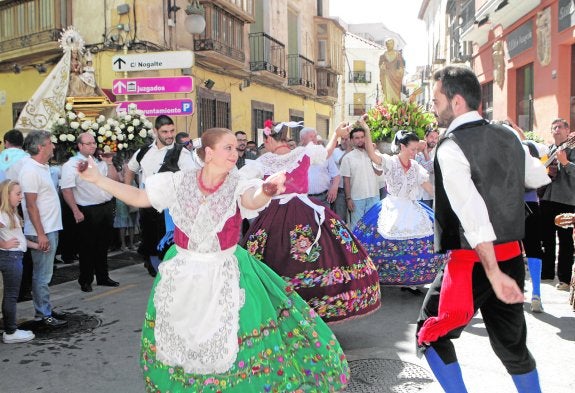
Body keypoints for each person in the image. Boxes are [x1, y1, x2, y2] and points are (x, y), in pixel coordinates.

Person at [77, 128, 350, 392]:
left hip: (226, 268)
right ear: (209, 152)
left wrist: (266, 191)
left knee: (233, 335)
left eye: (235, 147)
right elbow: (139, 196)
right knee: (183, 336)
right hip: (184, 269)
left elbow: (251, 199)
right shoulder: (179, 181)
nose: (235, 153)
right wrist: (98, 180)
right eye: (228, 148)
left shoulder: (237, 183)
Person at [416, 66, 549, 392]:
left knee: (429, 333)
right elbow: (537, 178)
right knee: (512, 345)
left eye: (436, 100)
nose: (434, 107)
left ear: (456, 101)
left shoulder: (451, 147)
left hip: (473, 262)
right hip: (511, 257)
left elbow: (472, 215)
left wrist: (492, 272)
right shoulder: (508, 136)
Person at [240, 121, 381, 324]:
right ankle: (315, 306)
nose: (265, 146)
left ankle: (279, 311)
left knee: (273, 256)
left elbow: (242, 180)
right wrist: (335, 134)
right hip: (303, 211)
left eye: (265, 142)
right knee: (321, 255)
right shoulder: (302, 153)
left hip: (274, 214)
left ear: (269, 139)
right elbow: (326, 152)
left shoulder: (263, 161)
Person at [353, 125, 448, 291]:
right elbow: (372, 155)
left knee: (424, 242)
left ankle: (412, 280)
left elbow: (429, 189)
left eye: (416, 150)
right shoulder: (390, 162)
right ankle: (376, 278)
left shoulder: (416, 168)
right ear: (402, 146)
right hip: (391, 207)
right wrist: (367, 132)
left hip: (412, 207)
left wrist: (447, 201)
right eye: (412, 149)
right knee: (376, 242)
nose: (415, 153)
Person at [125, 115, 198, 276]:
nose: (169, 135)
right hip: (147, 209)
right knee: (150, 249)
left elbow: (192, 180)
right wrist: (128, 193)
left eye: (172, 131)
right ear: (155, 131)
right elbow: (130, 170)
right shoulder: (143, 152)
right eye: (165, 132)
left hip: (169, 213)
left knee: (169, 253)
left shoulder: (182, 153)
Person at [19, 131, 67, 328]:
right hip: (42, 230)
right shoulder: (30, 170)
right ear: (40, 147)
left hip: (49, 227)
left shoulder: (42, 167)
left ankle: (45, 308)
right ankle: (43, 314)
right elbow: (31, 205)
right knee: (42, 275)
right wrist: (40, 234)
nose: (53, 146)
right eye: (50, 143)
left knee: (45, 274)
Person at [60, 133, 119, 292]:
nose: (92, 146)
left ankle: (103, 276)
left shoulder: (99, 162)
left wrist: (109, 163)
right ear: (80, 146)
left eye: (94, 143)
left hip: (105, 206)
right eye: (88, 143)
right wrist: (75, 210)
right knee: (87, 247)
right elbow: (66, 189)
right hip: (87, 209)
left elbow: (114, 180)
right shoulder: (71, 165)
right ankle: (85, 280)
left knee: (103, 244)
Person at [0, 180, 39, 344]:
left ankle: (10, 329)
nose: (21, 197)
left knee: (9, 295)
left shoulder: (11, 214)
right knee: (11, 296)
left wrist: (35, 245)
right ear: (6, 195)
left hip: (14, 256)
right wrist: (3, 244)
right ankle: (10, 332)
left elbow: (19, 239)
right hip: (10, 257)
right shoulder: (3, 214)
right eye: (17, 194)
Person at [539, 118, 575, 290]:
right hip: (547, 199)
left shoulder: (573, 148)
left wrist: (566, 163)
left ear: (568, 131)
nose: (557, 130)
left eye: (560, 127)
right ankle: (546, 273)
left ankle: (565, 279)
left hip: (567, 202)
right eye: (554, 128)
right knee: (546, 238)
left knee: (566, 241)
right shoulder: (549, 150)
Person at [340, 127, 381, 229]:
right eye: (357, 138)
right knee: (357, 228)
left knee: (373, 227)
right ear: (352, 140)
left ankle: (371, 245)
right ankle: (358, 246)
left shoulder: (373, 155)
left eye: (362, 137)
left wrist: (372, 154)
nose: (360, 140)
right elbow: (346, 181)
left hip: (373, 195)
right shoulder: (347, 158)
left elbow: (379, 172)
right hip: (356, 198)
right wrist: (348, 198)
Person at [300, 127, 340, 207]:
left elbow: (336, 174)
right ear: (302, 139)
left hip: (324, 198)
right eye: (311, 137)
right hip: (304, 199)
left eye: (315, 136)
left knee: (327, 219)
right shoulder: (298, 155)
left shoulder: (325, 153)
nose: (314, 139)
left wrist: (334, 187)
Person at [415, 126, 439, 208]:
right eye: (431, 137)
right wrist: (423, 151)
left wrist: (425, 153)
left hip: (429, 195)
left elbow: (431, 169)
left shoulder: (437, 154)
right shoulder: (416, 153)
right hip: (416, 194)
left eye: (436, 138)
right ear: (425, 137)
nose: (434, 140)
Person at [331, 134, 352, 222]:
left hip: (353, 189)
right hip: (340, 190)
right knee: (341, 218)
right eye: (342, 139)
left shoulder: (354, 151)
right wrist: (348, 150)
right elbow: (341, 161)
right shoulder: (335, 151)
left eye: (346, 139)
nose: (344, 141)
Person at [379, 38, 405, 103]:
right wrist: (382, 68)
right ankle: (388, 105)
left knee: (395, 97)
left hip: (396, 79)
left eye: (390, 44)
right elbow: (380, 66)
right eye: (387, 44)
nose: (388, 46)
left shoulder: (398, 55)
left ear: (393, 44)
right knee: (388, 96)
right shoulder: (382, 56)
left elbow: (401, 66)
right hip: (386, 78)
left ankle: (395, 105)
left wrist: (400, 71)